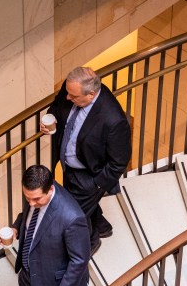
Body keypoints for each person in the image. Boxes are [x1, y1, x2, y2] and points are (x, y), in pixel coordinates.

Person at [40, 66, 132, 255]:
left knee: (73, 214)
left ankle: (91, 241)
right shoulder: (73, 90)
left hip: (90, 174)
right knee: (77, 202)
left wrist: (95, 185)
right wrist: (51, 119)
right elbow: (57, 106)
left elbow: (119, 162)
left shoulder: (113, 119)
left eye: (73, 97)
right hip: (70, 167)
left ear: (91, 95)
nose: (68, 98)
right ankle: (102, 225)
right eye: (68, 93)